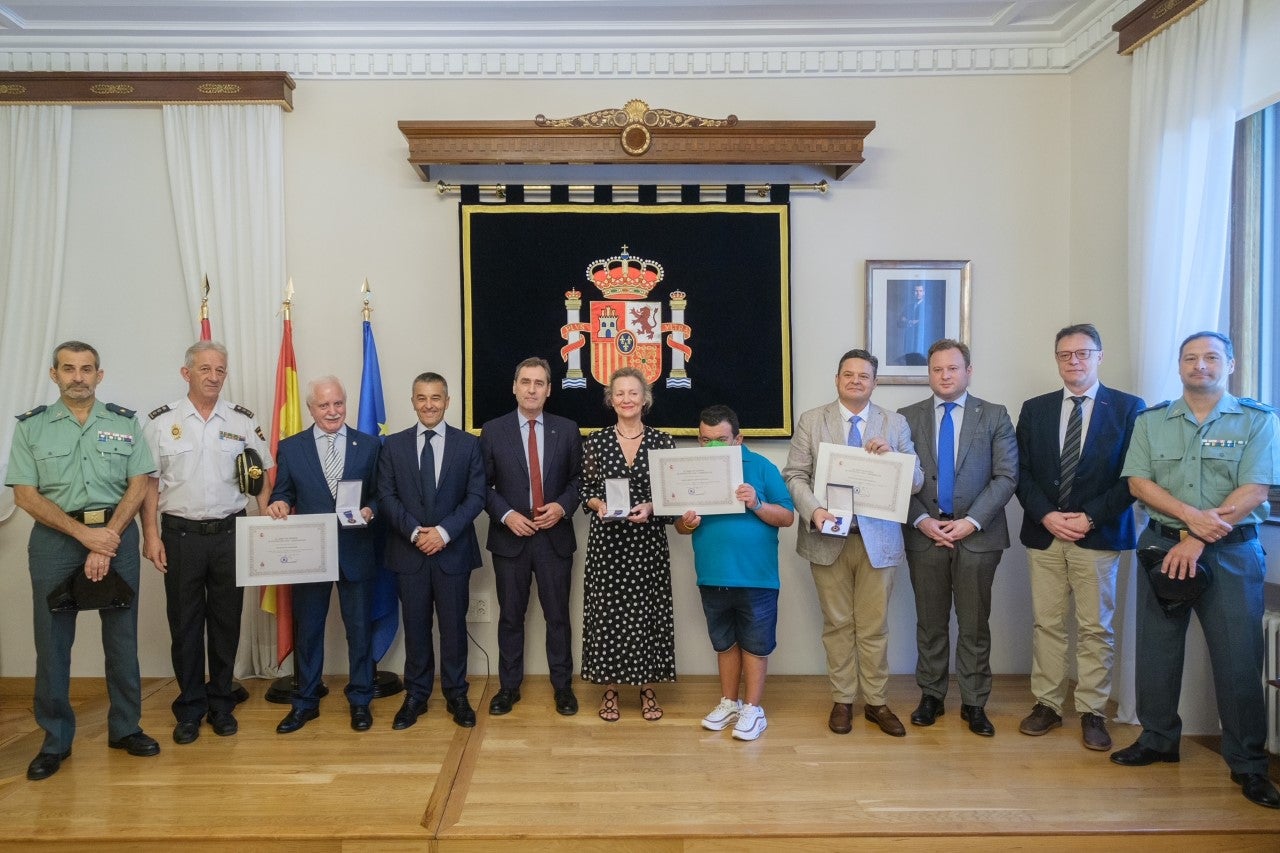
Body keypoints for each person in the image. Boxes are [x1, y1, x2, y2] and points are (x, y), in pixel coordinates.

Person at [1113, 331, 1280, 810]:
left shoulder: (1257, 419)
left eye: (1210, 357)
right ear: (1180, 365)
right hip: (1162, 549)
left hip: (1232, 554)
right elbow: (1140, 483)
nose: (1199, 365)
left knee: (1238, 660)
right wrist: (1188, 528)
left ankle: (1248, 765)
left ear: (1229, 363)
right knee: (1156, 651)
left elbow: (1256, 489)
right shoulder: (1152, 421)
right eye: (1190, 358)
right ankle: (1158, 739)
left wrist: (1195, 538)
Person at [6, 340, 160, 781]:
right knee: (52, 644)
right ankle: (55, 741)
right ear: (54, 374)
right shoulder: (31, 428)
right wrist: (84, 536)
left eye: (87, 368)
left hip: (116, 535)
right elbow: (25, 494)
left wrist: (106, 537)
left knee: (122, 638)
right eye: (69, 369)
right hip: (57, 540)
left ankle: (126, 728)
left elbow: (139, 482)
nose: (79, 376)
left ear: (100, 374)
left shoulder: (125, 423)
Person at [1014, 324, 1143, 751]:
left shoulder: (1129, 409)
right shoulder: (1036, 409)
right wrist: (1048, 515)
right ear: (1056, 359)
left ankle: (1092, 711)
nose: (1074, 361)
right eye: (1065, 354)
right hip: (1046, 534)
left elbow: (1133, 478)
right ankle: (1048, 705)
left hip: (1098, 535)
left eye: (1083, 353)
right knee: (1047, 624)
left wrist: (1088, 518)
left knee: (1095, 629)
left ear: (1099, 356)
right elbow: (1022, 474)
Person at [783, 349, 923, 737]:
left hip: (878, 542)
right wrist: (813, 511)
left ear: (875, 383)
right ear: (837, 379)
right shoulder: (813, 421)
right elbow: (793, 474)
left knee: (874, 627)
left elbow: (917, 481)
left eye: (864, 376)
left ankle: (876, 702)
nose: (856, 381)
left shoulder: (894, 424)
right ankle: (843, 700)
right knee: (838, 624)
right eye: (849, 374)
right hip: (828, 539)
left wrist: (895, 458)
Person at [140, 340, 273, 745]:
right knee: (184, 624)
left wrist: (265, 516)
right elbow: (148, 483)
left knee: (226, 622)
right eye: (205, 370)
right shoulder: (162, 422)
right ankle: (190, 708)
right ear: (187, 373)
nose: (214, 377)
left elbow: (263, 472)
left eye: (220, 371)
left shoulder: (241, 420)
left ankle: (221, 703)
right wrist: (150, 534)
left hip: (230, 534)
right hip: (180, 536)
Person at [898, 339, 1017, 737]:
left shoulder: (995, 416)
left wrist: (971, 522)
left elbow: (1006, 477)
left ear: (968, 370)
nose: (945, 376)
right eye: (936, 369)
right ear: (928, 373)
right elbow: (895, 481)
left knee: (974, 624)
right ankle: (931, 695)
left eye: (952, 368)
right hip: (925, 535)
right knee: (929, 623)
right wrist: (920, 521)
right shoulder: (905, 418)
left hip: (977, 537)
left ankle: (974, 702)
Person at [267, 376, 380, 734]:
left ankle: (360, 700)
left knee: (359, 630)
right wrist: (279, 503)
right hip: (309, 553)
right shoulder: (291, 447)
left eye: (338, 404)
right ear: (310, 408)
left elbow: (381, 493)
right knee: (310, 631)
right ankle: (306, 703)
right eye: (324, 405)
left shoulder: (370, 445)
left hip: (355, 550)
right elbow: (281, 492)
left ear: (345, 403)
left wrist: (370, 510)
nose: (332, 412)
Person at [676, 405, 794, 741]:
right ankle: (730, 702)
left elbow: (787, 517)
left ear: (738, 439)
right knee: (724, 643)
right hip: (712, 575)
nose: (712, 447)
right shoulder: (693, 469)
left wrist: (756, 503)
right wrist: (686, 522)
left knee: (755, 645)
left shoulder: (761, 467)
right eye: (705, 440)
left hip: (756, 576)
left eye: (721, 440)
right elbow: (681, 527)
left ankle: (753, 710)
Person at [378, 372, 485, 729]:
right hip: (409, 554)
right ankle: (416, 695)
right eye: (422, 398)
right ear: (412, 401)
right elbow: (386, 497)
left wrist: (442, 532)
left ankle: (456, 694)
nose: (429, 405)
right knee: (416, 626)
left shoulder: (468, 445)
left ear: (447, 401)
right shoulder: (392, 446)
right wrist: (414, 532)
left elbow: (476, 497)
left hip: (452, 552)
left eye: (436, 398)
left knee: (454, 628)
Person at [480, 358, 583, 717]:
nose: (532, 389)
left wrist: (562, 507)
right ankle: (508, 688)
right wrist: (507, 515)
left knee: (558, 617)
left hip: (554, 537)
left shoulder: (567, 429)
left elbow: (578, 482)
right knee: (511, 616)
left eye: (539, 383)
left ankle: (563, 688)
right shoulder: (493, 430)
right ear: (514, 386)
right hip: (511, 539)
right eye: (525, 382)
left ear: (549, 390)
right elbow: (482, 485)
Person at [580, 366, 676, 722]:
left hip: (647, 544)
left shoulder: (662, 442)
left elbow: (672, 495)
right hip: (607, 546)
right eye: (619, 393)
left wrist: (652, 507)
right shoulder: (596, 442)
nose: (626, 399)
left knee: (648, 615)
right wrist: (598, 505)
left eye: (633, 393)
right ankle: (610, 691)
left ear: (645, 398)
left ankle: (648, 689)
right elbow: (585, 491)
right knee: (608, 616)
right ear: (610, 400)